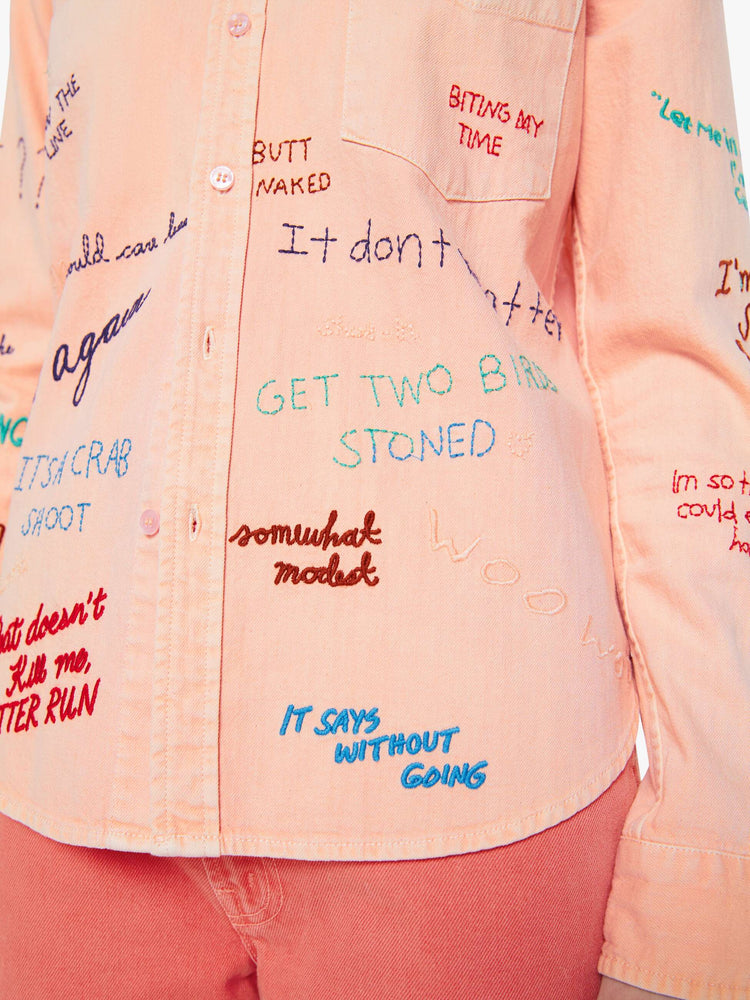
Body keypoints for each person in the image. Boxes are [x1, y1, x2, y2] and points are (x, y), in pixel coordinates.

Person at [0, 0, 747, 997]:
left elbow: (679, 358)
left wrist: (705, 884)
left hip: (474, 809)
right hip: (61, 770)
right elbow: (31, 325)